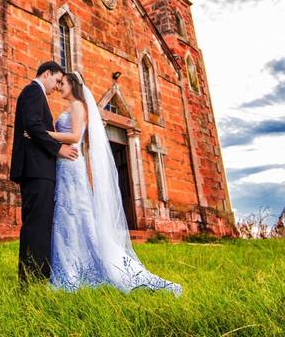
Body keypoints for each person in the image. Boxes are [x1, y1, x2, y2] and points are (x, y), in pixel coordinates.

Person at [45, 71, 183, 295]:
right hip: (65, 164)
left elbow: (74, 136)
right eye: (58, 83)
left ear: (73, 85)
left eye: (63, 83)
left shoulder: (79, 106)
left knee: (74, 213)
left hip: (72, 164)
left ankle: (82, 265)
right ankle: (68, 263)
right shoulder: (73, 107)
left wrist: (45, 134)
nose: (59, 86)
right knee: (67, 214)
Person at [9, 61, 80, 286]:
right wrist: (59, 149)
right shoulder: (32, 91)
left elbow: (36, 129)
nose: (57, 87)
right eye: (57, 81)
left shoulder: (37, 95)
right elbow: (32, 125)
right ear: (46, 74)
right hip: (36, 170)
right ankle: (33, 280)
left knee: (39, 224)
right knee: (36, 225)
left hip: (39, 169)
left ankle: (36, 276)